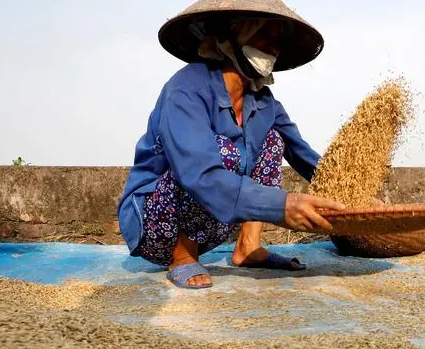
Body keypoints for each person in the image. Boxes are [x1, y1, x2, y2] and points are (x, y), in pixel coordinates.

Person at [117, 0, 346, 289]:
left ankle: (248, 246)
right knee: (224, 150)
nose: (273, 47)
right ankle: (182, 255)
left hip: (212, 223)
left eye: (277, 39)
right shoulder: (186, 88)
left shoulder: (264, 103)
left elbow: (302, 154)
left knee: (273, 141)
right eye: (264, 34)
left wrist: (352, 195)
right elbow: (198, 171)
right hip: (156, 222)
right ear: (232, 36)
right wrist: (282, 205)